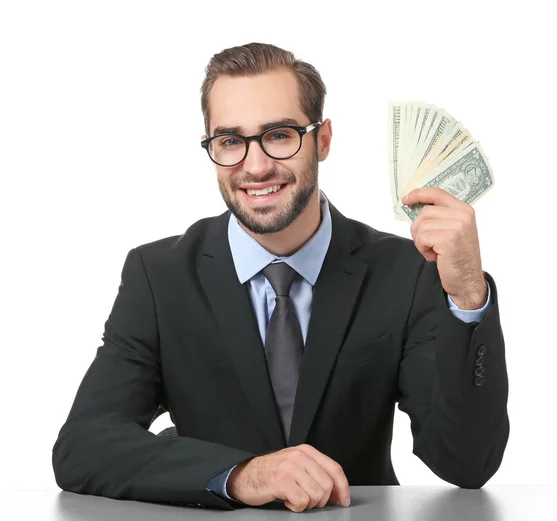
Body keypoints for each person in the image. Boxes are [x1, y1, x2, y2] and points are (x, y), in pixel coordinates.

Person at [52, 42, 509, 513]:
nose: (255, 166)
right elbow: (83, 447)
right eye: (230, 141)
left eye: (279, 134)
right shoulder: (159, 277)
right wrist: (241, 476)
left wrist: (468, 294)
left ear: (323, 139)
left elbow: (467, 464)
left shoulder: (404, 272)